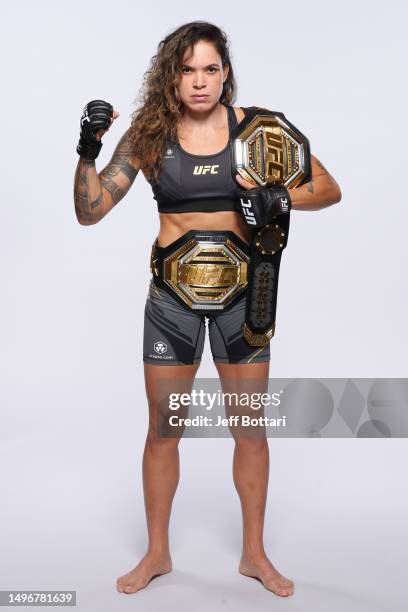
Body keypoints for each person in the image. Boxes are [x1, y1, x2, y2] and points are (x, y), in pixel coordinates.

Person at [73, 21, 342, 597]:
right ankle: (157, 554)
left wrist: (279, 196)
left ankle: (253, 556)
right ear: (172, 76)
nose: (199, 82)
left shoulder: (259, 130)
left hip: (245, 303)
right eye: (187, 69)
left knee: (249, 432)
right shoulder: (148, 137)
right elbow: (90, 210)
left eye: (210, 69)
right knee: (164, 431)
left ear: (226, 73)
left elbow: (328, 187)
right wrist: (88, 151)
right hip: (171, 304)